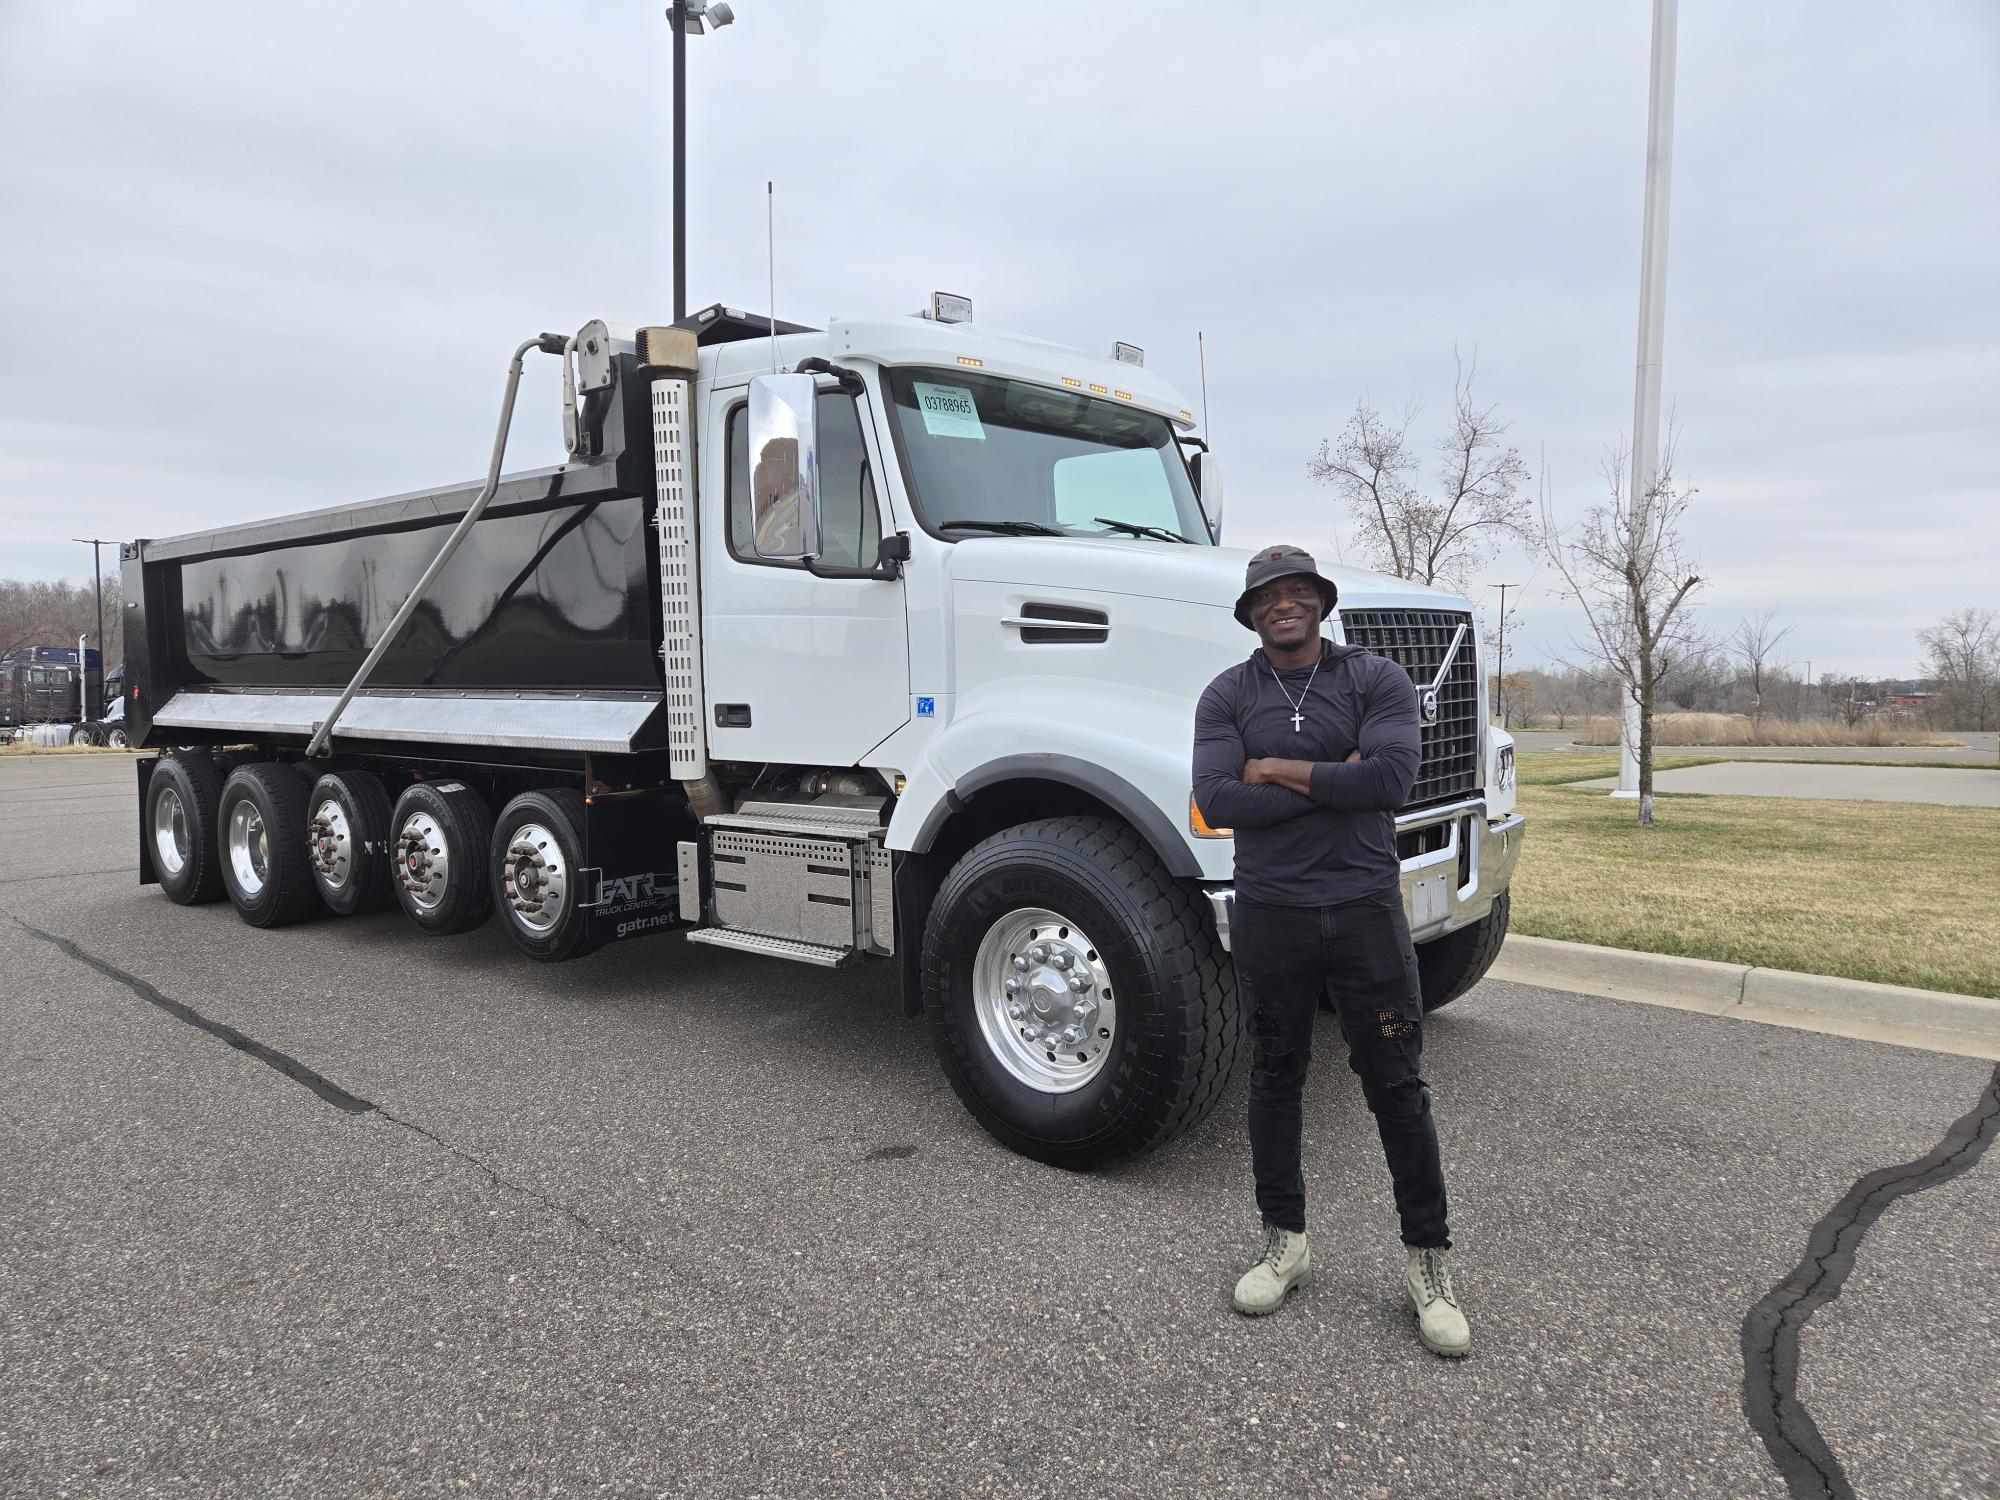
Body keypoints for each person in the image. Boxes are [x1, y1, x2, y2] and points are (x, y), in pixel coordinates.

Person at [1192, 544, 1470, 1357]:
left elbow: (1388, 782)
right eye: (1268, 595)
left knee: (1396, 1082)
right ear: (1251, 612)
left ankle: (1428, 1264)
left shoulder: (1374, 679)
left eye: (1297, 591)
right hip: (1272, 917)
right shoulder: (1227, 693)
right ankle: (1285, 1243)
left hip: (1364, 916)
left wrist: (1274, 769)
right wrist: (1331, 780)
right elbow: (1217, 800)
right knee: (1275, 1075)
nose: (1283, 604)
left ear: (1320, 601)